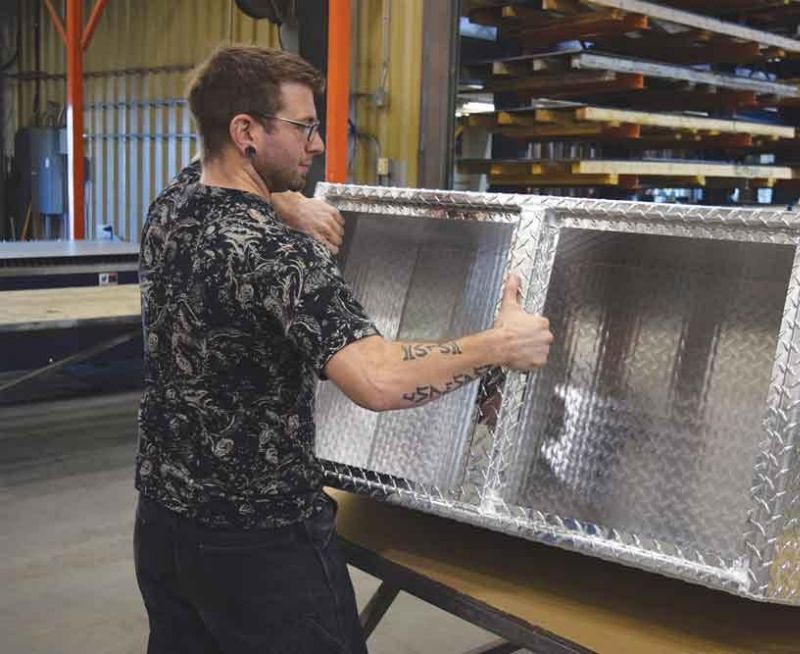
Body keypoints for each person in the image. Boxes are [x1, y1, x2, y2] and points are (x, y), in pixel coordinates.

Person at [134, 44, 553, 654]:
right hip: (262, 545)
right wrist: (498, 345)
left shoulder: (170, 210)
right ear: (245, 131)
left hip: (164, 523)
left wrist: (278, 198)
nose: (318, 145)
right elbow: (378, 379)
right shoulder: (279, 255)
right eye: (303, 127)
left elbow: (203, 176)